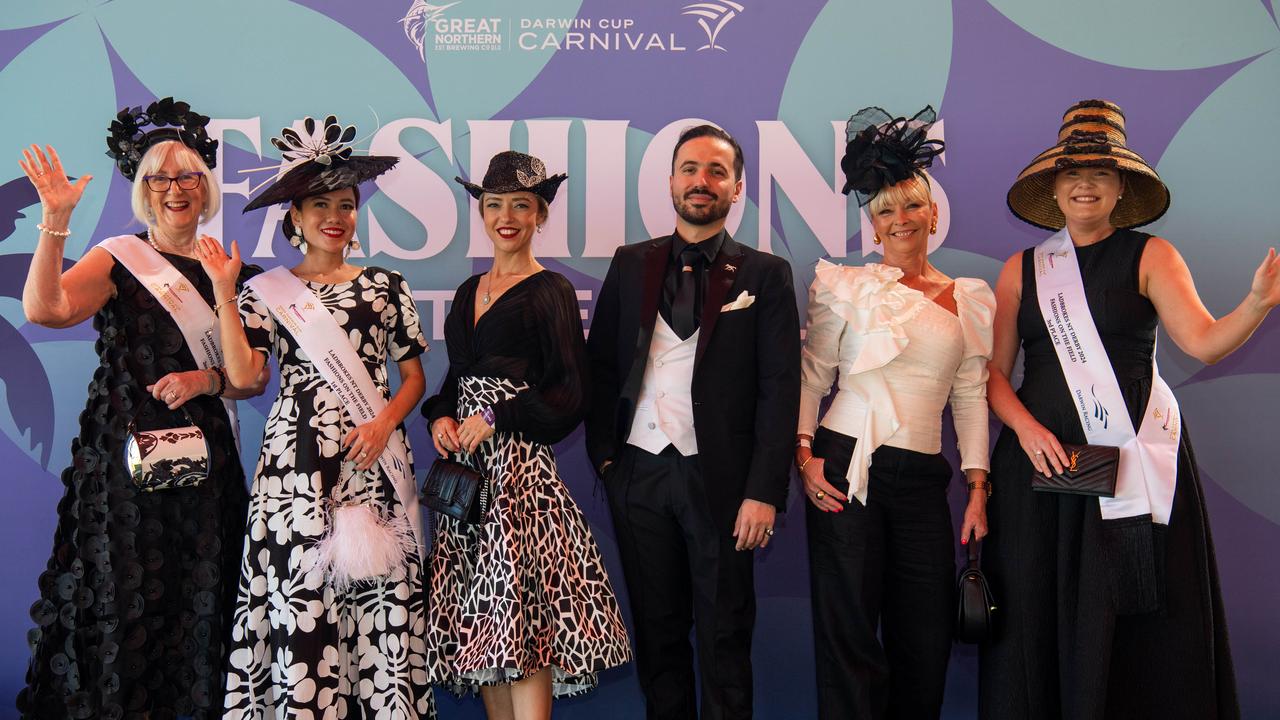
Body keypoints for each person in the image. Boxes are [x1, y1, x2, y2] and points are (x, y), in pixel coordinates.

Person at [981, 99, 1278, 719]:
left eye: (1100, 174)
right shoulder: (1022, 268)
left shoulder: (1152, 256)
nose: (1084, 184)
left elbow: (1201, 341)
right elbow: (992, 376)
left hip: (1129, 459)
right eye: (1072, 173)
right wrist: (1027, 428)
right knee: (1038, 605)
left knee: (1129, 611)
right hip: (1039, 467)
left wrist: (1255, 304)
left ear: (1120, 188)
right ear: (1054, 188)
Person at [16, 98, 267, 719]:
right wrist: (55, 222)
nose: (174, 190)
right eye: (158, 177)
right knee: (126, 597)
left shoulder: (234, 269)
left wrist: (206, 376)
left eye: (187, 177)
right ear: (142, 189)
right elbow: (45, 310)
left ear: (205, 186)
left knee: (199, 593)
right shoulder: (117, 257)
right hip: (123, 462)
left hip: (206, 464)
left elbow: (248, 382)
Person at [198, 115, 436, 719]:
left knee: (383, 608)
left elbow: (414, 379)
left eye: (348, 204)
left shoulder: (387, 284)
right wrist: (226, 292)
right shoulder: (266, 291)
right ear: (296, 219)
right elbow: (247, 377)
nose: (337, 216)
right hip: (295, 469)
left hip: (374, 459)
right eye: (321, 204)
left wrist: (383, 423)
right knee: (302, 605)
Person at [585, 125, 801, 720]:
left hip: (725, 485)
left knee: (725, 638)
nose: (700, 182)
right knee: (659, 641)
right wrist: (608, 457)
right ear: (671, 180)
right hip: (639, 474)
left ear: (737, 188)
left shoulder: (765, 274)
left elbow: (779, 390)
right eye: (689, 169)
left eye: (715, 171)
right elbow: (601, 365)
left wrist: (763, 492)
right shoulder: (632, 263)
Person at [794, 106, 995, 720]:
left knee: (925, 640)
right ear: (872, 226)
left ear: (934, 212)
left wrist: (978, 488)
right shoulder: (844, 285)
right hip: (843, 468)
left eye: (911, 205)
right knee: (849, 637)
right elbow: (813, 376)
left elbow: (970, 394)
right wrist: (803, 455)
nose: (900, 219)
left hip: (922, 480)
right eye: (885, 210)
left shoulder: (970, 297)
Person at [422, 150, 631, 720]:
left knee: (523, 622)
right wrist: (439, 414)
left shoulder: (551, 290)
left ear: (540, 215)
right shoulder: (468, 292)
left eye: (521, 205)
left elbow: (570, 392)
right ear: (482, 212)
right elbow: (456, 378)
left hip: (518, 482)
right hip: (466, 487)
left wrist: (496, 418)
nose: (506, 216)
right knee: (479, 625)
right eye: (494, 205)